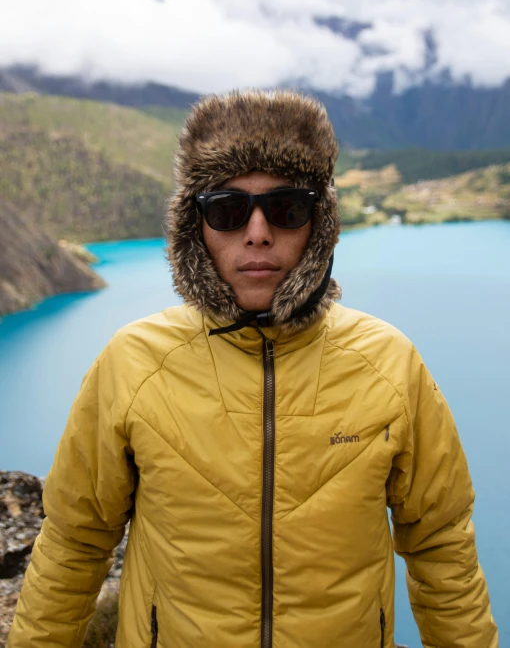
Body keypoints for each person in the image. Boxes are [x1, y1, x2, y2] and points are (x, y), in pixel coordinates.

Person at [8, 90, 497, 647]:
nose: (258, 232)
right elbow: (76, 541)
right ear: (198, 228)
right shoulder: (134, 364)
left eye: (287, 209)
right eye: (227, 209)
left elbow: (440, 546)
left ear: (319, 225)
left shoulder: (389, 365)